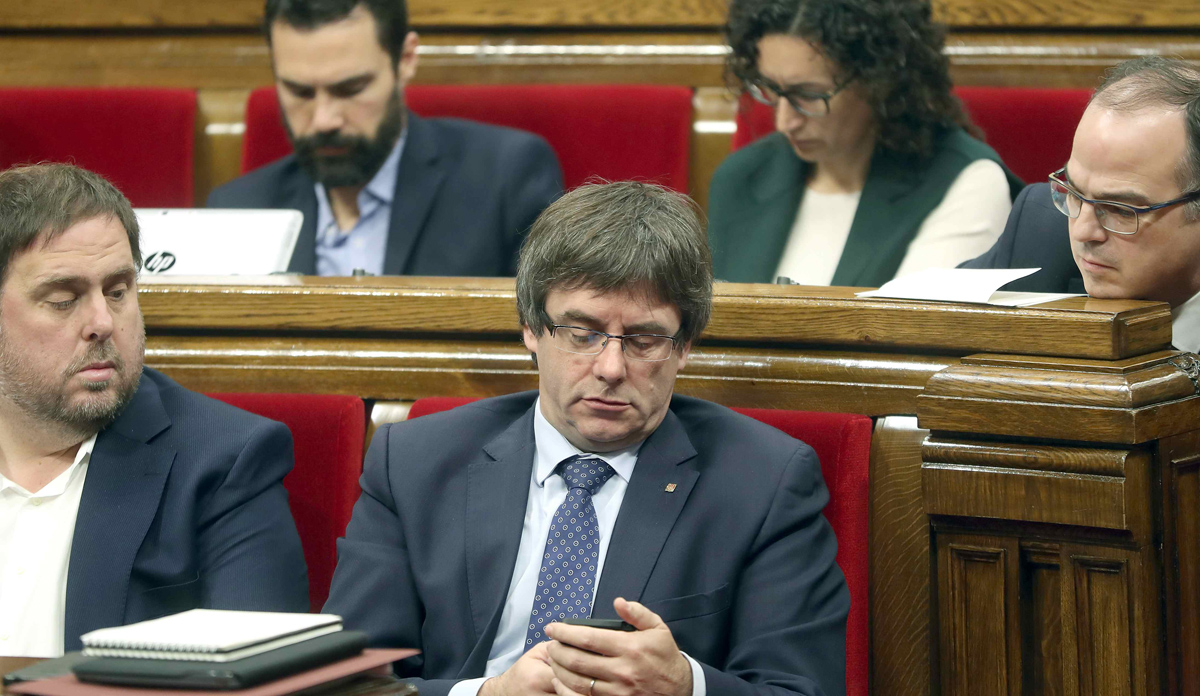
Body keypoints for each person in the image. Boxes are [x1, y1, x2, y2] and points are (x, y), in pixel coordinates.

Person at [325, 181, 849, 696]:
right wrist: (487, 695)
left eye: (645, 340)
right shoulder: (414, 462)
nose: (611, 367)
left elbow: (801, 688)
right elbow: (344, 682)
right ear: (531, 327)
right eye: (582, 334)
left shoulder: (765, 481)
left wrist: (685, 686)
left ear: (684, 346)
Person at [0, 164, 309, 657]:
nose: (102, 321)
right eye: (63, 300)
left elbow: (261, 681)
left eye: (118, 291)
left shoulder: (225, 462)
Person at [207, 0, 563, 277]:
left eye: (351, 88)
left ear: (405, 59)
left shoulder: (504, 179)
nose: (324, 119)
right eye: (299, 91)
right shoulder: (236, 209)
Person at [707, 0, 1023, 287]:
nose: (784, 122)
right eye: (770, 89)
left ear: (880, 81)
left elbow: (911, 336)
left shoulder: (967, 185)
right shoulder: (741, 176)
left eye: (810, 94)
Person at [962, 57, 1200, 352]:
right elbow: (911, 317)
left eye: (1120, 210)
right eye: (1072, 192)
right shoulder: (1040, 233)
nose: (1083, 231)